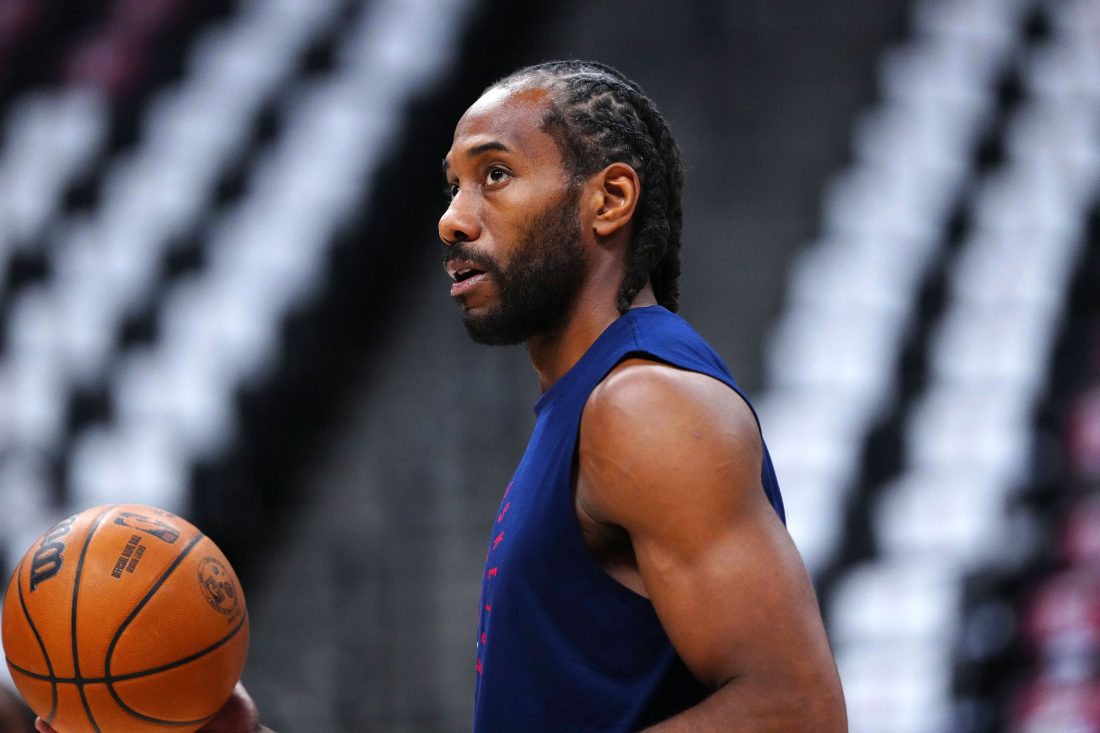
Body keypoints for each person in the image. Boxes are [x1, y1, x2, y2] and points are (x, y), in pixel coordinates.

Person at [37, 60, 846, 733]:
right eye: (453, 186)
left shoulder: (644, 407)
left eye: (495, 176)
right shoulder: (587, 404)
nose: (452, 221)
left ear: (609, 200)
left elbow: (796, 709)